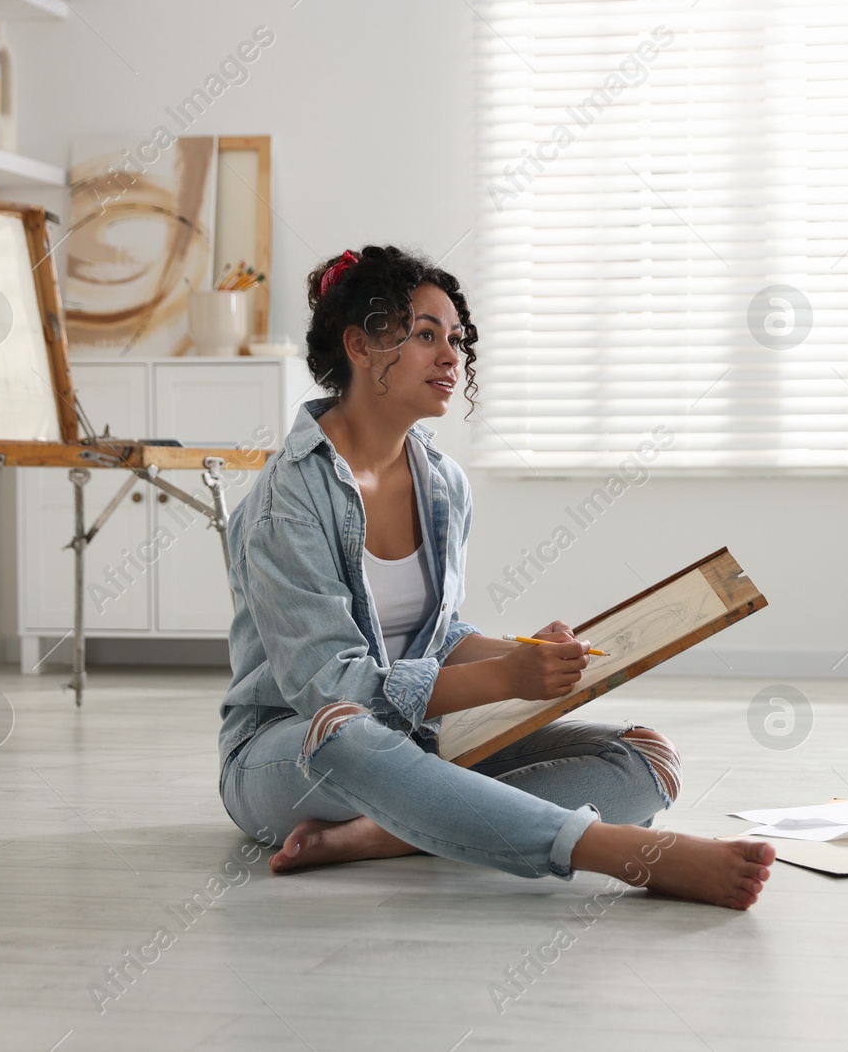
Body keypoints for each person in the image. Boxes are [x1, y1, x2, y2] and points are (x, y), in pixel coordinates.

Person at [216, 245, 774, 908]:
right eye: (426, 335)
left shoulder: (443, 483)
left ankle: (393, 830)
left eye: (456, 338)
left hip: (414, 743)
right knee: (343, 729)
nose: (452, 356)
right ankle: (610, 849)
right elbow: (331, 688)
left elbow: (435, 634)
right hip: (294, 750)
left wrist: (522, 653)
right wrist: (503, 679)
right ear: (360, 347)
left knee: (648, 757)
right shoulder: (288, 499)